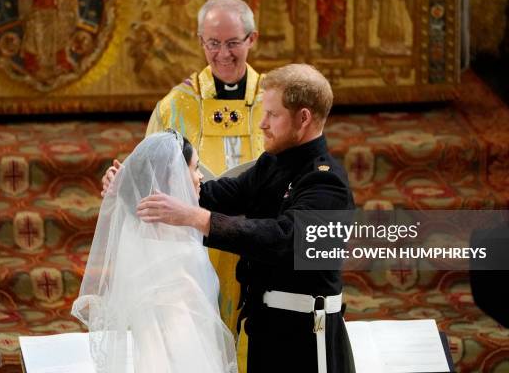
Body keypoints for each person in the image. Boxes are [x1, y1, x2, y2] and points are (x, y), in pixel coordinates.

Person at [137, 64, 356, 373]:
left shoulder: (325, 182)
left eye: (273, 115)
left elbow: (284, 238)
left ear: (303, 118)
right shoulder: (273, 164)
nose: (262, 124)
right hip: (265, 328)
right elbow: (218, 194)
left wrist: (199, 219)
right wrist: (132, 187)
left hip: (305, 338)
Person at [102, 0, 264, 365]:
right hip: (195, 248)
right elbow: (147, 174)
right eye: (212, 43)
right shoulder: (175, 105)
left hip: (260, 240)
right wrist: (121, 182)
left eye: (232, 43)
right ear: (200, 40)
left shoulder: (275, 97)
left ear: (252, 39)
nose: (222, 54)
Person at [73, 130, 237, 373]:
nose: (200, 176)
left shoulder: (144, 228)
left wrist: (127, 184)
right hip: (181, 345)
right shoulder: (173, 241)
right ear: (173, 177)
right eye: (195, 168)